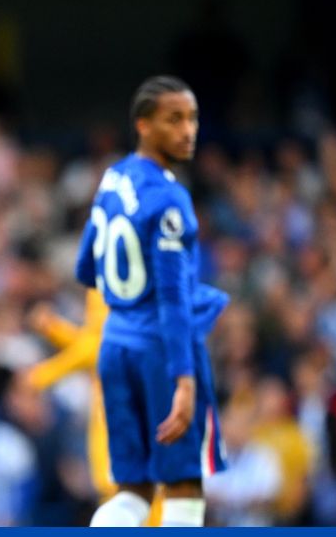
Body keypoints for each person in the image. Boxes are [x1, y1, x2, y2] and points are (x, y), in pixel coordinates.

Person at [75, 76, 230, 527]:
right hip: (161, 354)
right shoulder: (170, 199)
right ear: (143, 125)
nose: (188, 130)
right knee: (183, 487)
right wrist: (184, 381)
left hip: (114, 346)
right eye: (174, 119)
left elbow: (86, 267)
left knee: (134, 491)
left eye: (193, 119)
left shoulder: (113, 178)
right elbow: (173, 299)